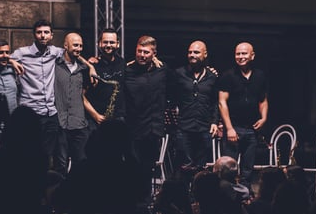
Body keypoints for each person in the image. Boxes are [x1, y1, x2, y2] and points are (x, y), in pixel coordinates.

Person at [11, 19, 97, 167]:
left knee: (47, 156)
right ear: (34, 35)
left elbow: (74, 52)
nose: (42, 35)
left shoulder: (55, 52)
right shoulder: (22, 53)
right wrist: (9, 61)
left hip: (50, 113)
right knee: (27, 153)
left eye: (46, 32)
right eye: (39, 32)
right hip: (30, 112)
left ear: (51, 35)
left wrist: (90, 66)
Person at [124, 35, 168, 202]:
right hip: (133, 130)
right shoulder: (127, 70)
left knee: (148, 169)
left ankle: (146, 202)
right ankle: (131, 202)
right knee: (132, 169)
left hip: (152, 129)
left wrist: (210, 70)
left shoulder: (162, 70)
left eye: (146, 52)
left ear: (154, 54)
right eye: (139, 51)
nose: (142, 55)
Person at [218, 41, 268, 188]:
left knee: (248, 169)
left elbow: (263, 100)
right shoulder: (228, 75)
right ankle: (227, 195)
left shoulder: (260, 76)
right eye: (238, 54)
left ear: (252, 56)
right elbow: (222, 102)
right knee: (227, 169)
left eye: (244, 53)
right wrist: (229, 128)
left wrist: (264, 118)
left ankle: (245, 195)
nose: (240, 56)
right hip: (234, 128)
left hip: (251, 129)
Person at [169, 40, 220, 174]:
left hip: (204, 127)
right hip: (184, 127)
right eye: (190, 52)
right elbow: (171, 96)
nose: (192, 55)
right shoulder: (179, 73)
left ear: (205, 54)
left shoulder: (212, 76)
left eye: (196, 52)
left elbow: (215, 101)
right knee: (184, 167)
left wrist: (215, 121)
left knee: (201, 168)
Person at [53, 32, 91, 175]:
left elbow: (85, 93)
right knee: (60, 164)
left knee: (80, 164)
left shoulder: (84, 69)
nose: (79, 48)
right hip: (60, 122)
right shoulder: (54, 65)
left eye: (80, 46)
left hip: (79, 123)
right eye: (75, 45)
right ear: (65, 45)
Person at [84, 27, 126, 130]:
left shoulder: (122, 63)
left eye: (112, 42)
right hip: (97, 121)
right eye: (105, 42)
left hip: (118, 120)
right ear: (99, 43)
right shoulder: (92, 65)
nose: (108, 45)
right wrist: (95, 115)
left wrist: (153, 59)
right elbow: (81, 95)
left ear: (118, 44)